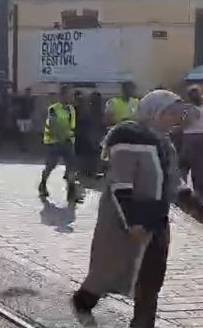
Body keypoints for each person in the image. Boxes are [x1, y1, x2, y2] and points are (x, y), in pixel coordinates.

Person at [72, 90, 185, 328]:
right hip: (123, 220)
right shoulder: (129, 139)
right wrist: (133, 222)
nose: (176, 119)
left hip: (156, 220)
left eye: (178, 114)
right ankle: (84, 301)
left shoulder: (165, 144)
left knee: (151, 278)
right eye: (171, 113)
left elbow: (174, 180)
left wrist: (194, 203)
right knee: (109, 269)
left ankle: (142, 324)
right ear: (155, 112)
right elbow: (121, 184)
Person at [39, 85, 81, 203]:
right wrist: (60, 136)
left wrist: (69, 137)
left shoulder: (72, 109)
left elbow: (72, 126)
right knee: (51, 166)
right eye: (69, 95)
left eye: (71, 95)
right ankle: (43, 184)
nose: (71, 97)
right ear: (62, 95)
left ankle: (71, 192)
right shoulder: (53, 109)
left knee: (71, 167)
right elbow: (52, 125)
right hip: (54, 142)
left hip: (68, 142)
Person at [180, 85, 203, 207]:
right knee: (200, 164)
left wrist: (177, 127)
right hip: (202, 135)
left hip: (191, 137)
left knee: (187, 163)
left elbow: (186, 124)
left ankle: (192, 192)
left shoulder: (192, 110)